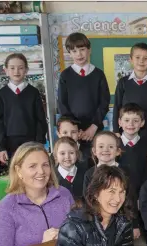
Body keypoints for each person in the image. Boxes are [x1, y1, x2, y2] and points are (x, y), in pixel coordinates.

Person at [57, 32, 110, 164]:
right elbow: (62, 104)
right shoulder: (65, 76)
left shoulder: (98, 74)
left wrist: (93, 127)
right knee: (75, 163)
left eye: (82, 50)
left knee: (95, 163)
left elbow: (104, 103)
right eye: (74, 51)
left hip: (95, 130)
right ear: (69, 53)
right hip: (72, 132)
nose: (79, 54)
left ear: (89, 50)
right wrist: (75, 129)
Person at [0, 53, 47, 162]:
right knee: (15, 172)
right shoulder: (1, 94)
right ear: (6, 70)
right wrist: (1, 147)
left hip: (31, 141)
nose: (16, 71)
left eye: (21, 68)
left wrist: (40, 142)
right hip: (9, 143)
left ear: (26, 70)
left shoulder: (33, 92)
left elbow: (40, 119)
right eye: (12, 68)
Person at [113, 43, 147, 145]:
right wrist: (116, 131)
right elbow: (117, 106)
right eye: (137, 57)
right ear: (131, 59)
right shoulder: (123, 82)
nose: (141, 61)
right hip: (126, 131)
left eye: (146, 58)